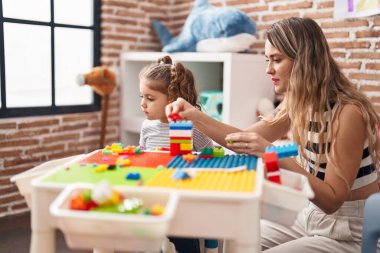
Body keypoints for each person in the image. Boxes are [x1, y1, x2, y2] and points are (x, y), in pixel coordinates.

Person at [165, 17, 380, 253]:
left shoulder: (348, 113)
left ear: (305, 61)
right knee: (237, 237)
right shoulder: (298, 102)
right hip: (310, 215)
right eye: (268, 60)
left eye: (276, 60)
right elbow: (239, 140)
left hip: (348, 232)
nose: (268, 69)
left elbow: (332, 199)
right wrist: (193, 115)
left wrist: (271, 153)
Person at [138, 55, 214, 253]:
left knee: (186, 243)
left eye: (150, 98)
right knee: (144, 240)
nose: (143, 104)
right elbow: (143, 158)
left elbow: (211, 154)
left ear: (172, 98)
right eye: (142, 97)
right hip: (155, 197)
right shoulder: (147, 126)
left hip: (184, 201)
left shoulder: (191, 128)